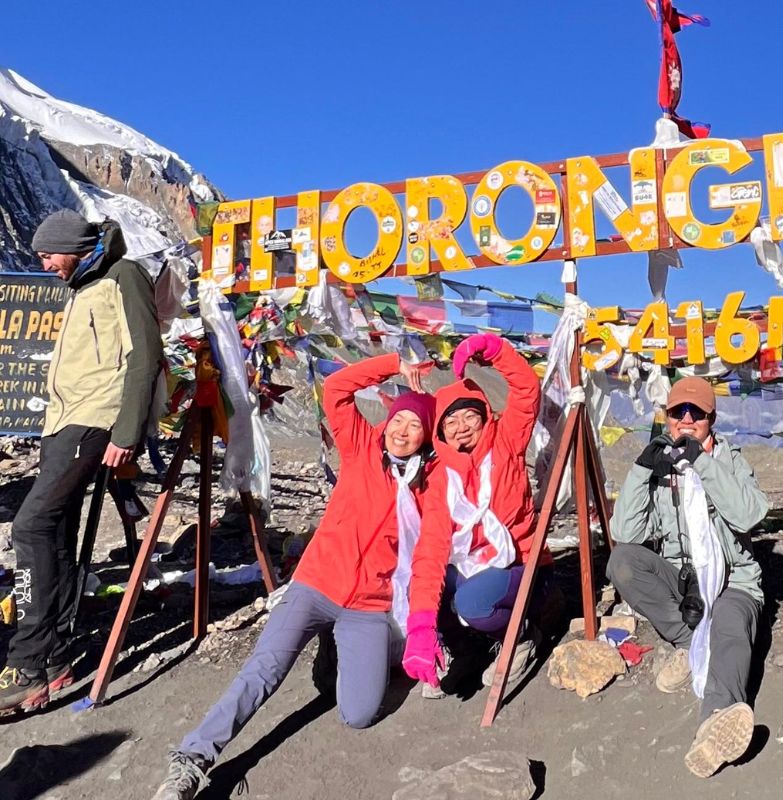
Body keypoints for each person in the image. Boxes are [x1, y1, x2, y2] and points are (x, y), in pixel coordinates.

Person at [153, 354, 437, 799]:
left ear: (426, 437)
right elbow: (339, 388)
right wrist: (394, 364)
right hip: (316, 586)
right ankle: (192, 759)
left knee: (359, 714)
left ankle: (337, 652)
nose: (402, 430)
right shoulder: (363, 451)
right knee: (264, 669)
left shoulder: (428, 487)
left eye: (414, 425)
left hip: (368, 606)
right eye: (398, 419)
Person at [1, 211, 161, 716]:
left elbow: (144, 355)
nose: (46, 264)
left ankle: (27, 663)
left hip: (94, 419)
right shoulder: (81, 285)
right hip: (60, 424)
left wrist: (128, 431)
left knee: (30, 527)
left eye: (49, 254)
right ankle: (56, 655)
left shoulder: (123, 276)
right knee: (57, 533)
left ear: (72, 245)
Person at [606, 377, 768, 778]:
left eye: (696, 413)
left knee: (730, 628)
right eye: (678, 412)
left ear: (711, 418)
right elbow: (625, 533)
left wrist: (701, 461)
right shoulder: (660, 466)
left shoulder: (730, 461)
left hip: (733, 581)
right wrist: (643, 469)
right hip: (682, 579)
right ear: (667, 417)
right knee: (622, 561)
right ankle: (686, 639)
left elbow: (749, 514)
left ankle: (714, 722)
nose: (687, 419)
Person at [405, 332, 544, 694]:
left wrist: (496, 351)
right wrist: (421, 627)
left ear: (485, 418)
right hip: (471, 564)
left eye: (470, 416)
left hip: (520, 563)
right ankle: (467, 650)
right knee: (424, 587)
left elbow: (527, 390)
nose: (461, 426)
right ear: (440, 434)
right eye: (450, 422)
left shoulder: (506, 443)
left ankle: (522, 635)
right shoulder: (441, 481)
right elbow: (432, 548)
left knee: (471, 602)